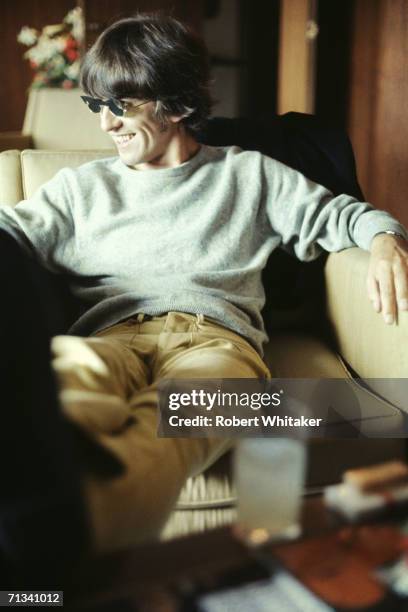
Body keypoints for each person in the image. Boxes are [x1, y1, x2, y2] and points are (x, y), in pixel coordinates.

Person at [0, 12, 407, 568]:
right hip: (107, 338)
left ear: (176, 102)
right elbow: (10, 235)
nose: (106, 125)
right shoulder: (79, 189)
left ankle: (55, 563)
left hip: (217, 344)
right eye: (97, 106)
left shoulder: (250, 175)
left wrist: (386, 238)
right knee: (66, 393)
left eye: (121, 105)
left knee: (172, 426)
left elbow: (342, 216)